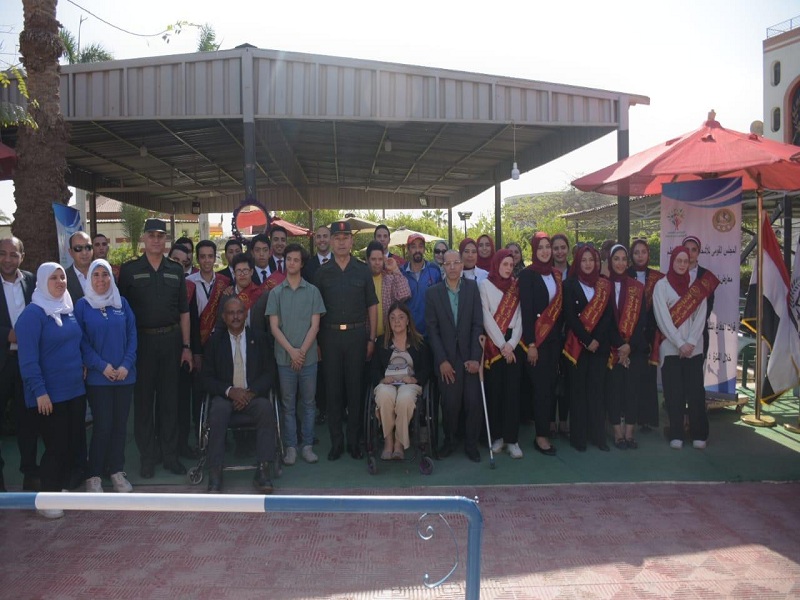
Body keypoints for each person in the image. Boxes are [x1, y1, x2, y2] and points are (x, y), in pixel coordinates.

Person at [118, 218, 193, 479]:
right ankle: (148, 457)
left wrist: (186, 346)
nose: (156, 240)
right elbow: (122, 314)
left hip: (171, 342)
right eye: (151, 235)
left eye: (161, 236)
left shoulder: (175, 270)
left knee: (170, 402)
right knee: (144, 402)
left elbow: (184, 312)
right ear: (144, 239)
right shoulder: (129, 270)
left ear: (166, 240)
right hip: (142, 343)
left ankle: (170, 456)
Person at [17, 263, 85, 518]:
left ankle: (60, 489)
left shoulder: (67, 308)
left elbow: (75, 343)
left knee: (69, 444)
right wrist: (40, 392)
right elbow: (28, 361)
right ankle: (47, 497)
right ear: (42, 282)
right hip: (48, 396)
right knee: (55, 447)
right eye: (53, 278)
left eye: (62, 277)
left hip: (74, 391)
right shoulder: (32, 316)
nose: (60, 282)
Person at [314, 220, 378, 461]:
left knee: (355, 390)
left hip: (356, 336)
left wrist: (371, 338)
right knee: (333, 392)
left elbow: (372, 305)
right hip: (329, 336)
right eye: (337, 238)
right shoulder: (322, 272)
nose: (341, 242)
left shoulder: (362, 270)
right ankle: (336, 443)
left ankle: (354, 442)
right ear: (331, 242)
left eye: (345, 238)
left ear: (352, 242)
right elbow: (316, 311)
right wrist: (318, 342)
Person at [202, 296, 278, 492]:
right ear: (224, 317)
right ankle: (215, 471)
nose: (235, 317)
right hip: (225, 397)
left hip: (252, 396)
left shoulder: (259, 338)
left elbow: (270, 372)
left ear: (245, 315)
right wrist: (230, 392)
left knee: (266, 408)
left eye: (239, 312)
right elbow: (206, 378)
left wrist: (250, 393)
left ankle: (263, 470)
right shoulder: (214, 342)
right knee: (217, 410)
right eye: (231, 313)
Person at [74, 259, 137, 493]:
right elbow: (81, 342)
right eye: (96, 275)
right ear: (90, 279)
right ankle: (94, 475)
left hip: (124, 376)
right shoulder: (82, 306)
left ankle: (116, 471)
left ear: (112, 277)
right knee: (103, 426)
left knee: (119, 426)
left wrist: (126, 365)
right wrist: (102, 366)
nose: (101, 280)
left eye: (105, 274)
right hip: (99, 378)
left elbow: (132, 336)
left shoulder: (122, 303)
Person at [653, 246, 718, 450]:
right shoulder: (661, 286)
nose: (682, 264)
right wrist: (680, 343)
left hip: (694, 348)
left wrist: (689, 342)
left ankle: (699, 433)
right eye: (678, 261)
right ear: (672, 262)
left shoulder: (697, 286)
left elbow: (701, 317)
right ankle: (676, 433)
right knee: (674, 394)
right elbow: (662, 318)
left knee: (696, 393)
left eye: (685, 261)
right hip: (671, 348)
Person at [267, 243, 326, 466]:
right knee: (288, 404)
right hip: (284, 359)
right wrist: (292, 352)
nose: (292, 263)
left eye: (296, 260)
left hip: (309, 358)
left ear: (302, 263)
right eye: (288, 259)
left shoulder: (312, 292)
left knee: (309, 404)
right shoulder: (276, 293)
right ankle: (291, 446)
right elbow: (274, 328)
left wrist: (301, 352)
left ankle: (307, 445)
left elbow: (315, 326)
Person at [562, 245, 623, 452]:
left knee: (596, 392)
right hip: (577, 347)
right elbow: (570, 316)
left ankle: (598, 437)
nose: (588, 264)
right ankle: (578, 438)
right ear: (578, 262)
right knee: (578, 392)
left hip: (600, 347)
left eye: (591, 260)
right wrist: (587, 339)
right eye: (584, 260)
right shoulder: (569, 284)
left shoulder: (604, 285)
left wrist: (596, 339)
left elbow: (607, 316)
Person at [425, 250, 484, 462]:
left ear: (461, 266)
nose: (452, 267)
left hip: (469, 356)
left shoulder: (472, 289)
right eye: (448, 263)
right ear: (443, 267)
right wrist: (441, 361)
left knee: (473, 401)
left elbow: (478, 325)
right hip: (446, 359)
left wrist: (476, 358)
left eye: (456, 262)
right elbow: (432, 330)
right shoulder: (433, 293)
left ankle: (470, 444)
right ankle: (449, 441)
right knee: (450, 404)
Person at [518, 233, 562, 456]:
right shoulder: (527, 275)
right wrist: (532, 344)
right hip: (537, 342)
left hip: (554, 342)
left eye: (548, 247)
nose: (545, 251)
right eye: (541, 247)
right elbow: (526, 311)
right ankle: (541, 436)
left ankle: (547, 427)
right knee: (541, 390)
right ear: (534, 250)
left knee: (550, 387)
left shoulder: (555, 275)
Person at [370, 302, 430, 460]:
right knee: (384, 396)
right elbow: (374, 368)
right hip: (388, 383)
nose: (397, 321)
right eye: (393, 318)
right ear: (388, 321)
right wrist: (382, 379)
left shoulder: (419, 343)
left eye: (401, 317)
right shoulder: (382, 342)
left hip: (409, 384)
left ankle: (399, 443)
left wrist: (414, 379)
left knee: (404, 399)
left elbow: (427, 369)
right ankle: (388, 441)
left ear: (408, 320)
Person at [479, 249, 524, 459]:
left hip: (513, 346)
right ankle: (497, 437)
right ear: (496, 264)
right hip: (494, 346)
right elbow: (486, 317)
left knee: (514, 394)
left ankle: (512, 440)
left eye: (510, 265)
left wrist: (512, 345)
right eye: (504, 264)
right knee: (495, 392)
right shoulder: (485, 285)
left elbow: (521, 318)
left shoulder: (516, 286)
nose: (507, 269)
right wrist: (502, 345)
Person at [0, 237, 36, 492]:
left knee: (28, 423)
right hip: (2, 363)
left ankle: (30, 474)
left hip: (26, 363)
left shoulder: (32, 281)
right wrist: (6, 335)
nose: (8, 259)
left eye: (14, 254)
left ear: (22, 257)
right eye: (2, 254)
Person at [605, 245, 646, 450]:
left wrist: (629, 346)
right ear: (610, 262)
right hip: (612, 350)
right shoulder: (603, 285)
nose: (620, 263)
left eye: (623, 259)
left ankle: (630, 431)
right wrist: (620, 346)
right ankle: (617, 432)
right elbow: (606, 321)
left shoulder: (637, 288)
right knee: (614, 391)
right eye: (616, 259)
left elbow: (642, 321)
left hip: (634, 349)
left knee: (632, 390)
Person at [627, 239, 664, 431]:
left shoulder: (658, 278)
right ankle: (629, 416)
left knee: (648, 377)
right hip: (628, 333)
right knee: (630, 377)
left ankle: (647, 418)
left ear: (648, 254)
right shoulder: (625, 275)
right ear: (631, 256)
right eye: (636, 252)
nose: (640, 256)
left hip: (651, 333)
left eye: (643, 252)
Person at [366, 241, 411, 338]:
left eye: (380, 259)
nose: (377, 263)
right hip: (365, 337)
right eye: (373, 259)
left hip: (387, 337)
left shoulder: (389, 279)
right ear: (367, 260)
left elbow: (405, 294)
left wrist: (394, 269)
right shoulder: (361, 280)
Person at [401, 233, 441, 336]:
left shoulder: (434, 270)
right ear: (408, 249)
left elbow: (440, 301)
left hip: (430, 332)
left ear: (424, 249)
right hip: (408, 332)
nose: (417, 250)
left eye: (420, 246)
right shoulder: (401, 272)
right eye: (413, 247)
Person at [682, 235, 715, 355]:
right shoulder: (672, 275)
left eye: (694, 249)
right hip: (676, 336)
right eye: (687, 249)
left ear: (699, 252)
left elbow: (708, 306)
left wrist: (693, 331)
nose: (690, 253)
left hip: (698, 335)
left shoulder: (706, 277)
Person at [66, 230, 93, 301]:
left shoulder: (106, 276)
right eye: (78, 248)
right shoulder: (63, 279)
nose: (84, 252)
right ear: (71, 252)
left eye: (88, 247)